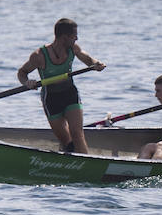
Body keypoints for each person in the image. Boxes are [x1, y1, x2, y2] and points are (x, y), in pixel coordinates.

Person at [16, 18, 106, 154]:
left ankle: (87, 165)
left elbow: (88, 60)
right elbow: (22, 73)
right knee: (67, 142)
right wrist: (27, 82)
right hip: (51, 99)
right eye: (74, 36)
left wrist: (96, 63)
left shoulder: (73, 48)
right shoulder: (39, 56)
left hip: (70, 94)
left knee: (77, 135)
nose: (77, 38)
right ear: (64, 38)